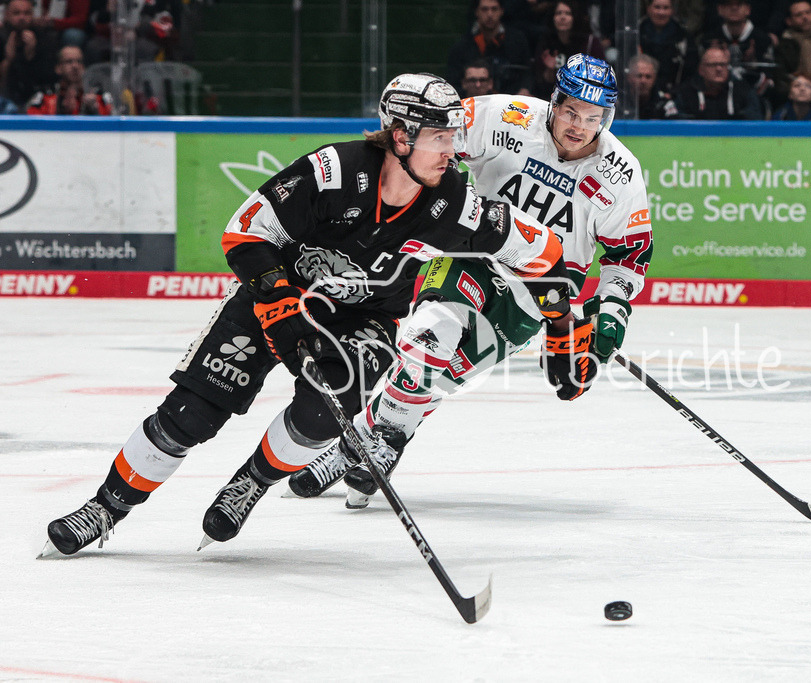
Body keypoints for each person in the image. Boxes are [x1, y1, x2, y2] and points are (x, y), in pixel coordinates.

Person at [42, 73, 584, 556]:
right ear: (401, 136)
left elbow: (547, 260)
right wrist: (277, 300)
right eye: (441, 137)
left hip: (367, 323)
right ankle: (105, 508)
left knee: (324, 415)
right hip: (278, 300)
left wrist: (563, 331)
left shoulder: (458, 204)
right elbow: (245, 231)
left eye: (455, 135)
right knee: (191, 415)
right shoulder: (333, 171)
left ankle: (251, 482)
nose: (454, 150)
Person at [287, 54, 653, 508]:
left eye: (594, 117)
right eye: (571, 111)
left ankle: (357, 442)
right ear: (554, 103)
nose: (580, 125)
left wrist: (611, 313)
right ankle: (384, 444)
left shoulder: (621, 172)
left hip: (536, 294)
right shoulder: (506, 116)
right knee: (430, 336)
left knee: (441, 377)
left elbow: (628, 255)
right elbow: (428, 145)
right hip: (472, 250)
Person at [447, 0, 534, 96]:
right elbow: (453, 82)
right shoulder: (461, 47)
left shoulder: (517, 41)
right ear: (476, 12)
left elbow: (527, 72)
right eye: (484, 9)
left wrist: (525, 89)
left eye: (494, 9)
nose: (490, 14)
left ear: (501, 11)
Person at [706, 0, 775, 103]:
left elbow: (771, 79)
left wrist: (752, 64)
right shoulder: (710, 39)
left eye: (739, 4)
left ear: (748, 9)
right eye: (728, 4)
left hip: (754, 99)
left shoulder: (762, 39)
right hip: (716, 98)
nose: (734, 8)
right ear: (719, 9)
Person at [531, 0, 604, 98]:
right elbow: (542, 83)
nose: (562, 17)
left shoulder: (590, 43)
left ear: (575, 17)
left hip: (583, 98)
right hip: (552, 97)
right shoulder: (546, 42)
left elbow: (600, 78)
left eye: (568, 13)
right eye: (558, 13)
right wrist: (549, 69)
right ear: (553, 18)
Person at [675, 45, 763, 119]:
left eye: (723, 64)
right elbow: (678, 125)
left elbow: (754, 124)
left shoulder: (744, 91)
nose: (719, 69)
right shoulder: (686, 94)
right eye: (713, 65)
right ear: (701, 69)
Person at [0, 0, 59, 108]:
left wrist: (30, 56)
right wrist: (8, 60)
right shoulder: (1, 37)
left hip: (35, 98)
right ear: (6, 15)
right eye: (16, 13)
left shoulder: (44, 38)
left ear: (33, 15)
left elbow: (47, 79)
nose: (22, 17)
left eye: (26, 13)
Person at [26, 45, 112, 114]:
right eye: (69, 61)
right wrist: (59, 110)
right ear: (58, 68)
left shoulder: (100, 96)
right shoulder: (45, 96)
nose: (75, 66)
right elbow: (31, 127)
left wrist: (94, 110)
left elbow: (114, 126)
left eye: (79, 61)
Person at [639, 0, 699, 91]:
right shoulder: (636, 34)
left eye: (666, 8)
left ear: (672, 11)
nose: (661, 12)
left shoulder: (683, 37)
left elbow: (691, 72)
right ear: (648, 9)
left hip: (673, 93)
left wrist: (674, 93)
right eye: (657, 7)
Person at [624, 53, 680, 118]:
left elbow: (674, 126)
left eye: (648, 77)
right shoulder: (617, 103)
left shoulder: (665, 104)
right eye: (639, 76)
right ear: (629, 77)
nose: (643, 81)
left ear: (654, 79)